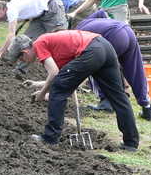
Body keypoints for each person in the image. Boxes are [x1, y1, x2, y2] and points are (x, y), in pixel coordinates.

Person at [7, 30, 140, 151]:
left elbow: (54, 76)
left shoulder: (39, 44)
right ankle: (131, 143)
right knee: (118, 96)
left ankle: (50, 137)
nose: (22, 62)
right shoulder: (52, 45)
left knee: (58, 89)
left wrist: (42, 94)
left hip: (91, 50)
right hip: (104, 46)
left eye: (20, 58)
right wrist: (38, 85)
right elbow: (63, 77)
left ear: (24, 52)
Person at [76, 9, 151, 121]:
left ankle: (106, 102)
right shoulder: (87, 21)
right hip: (126, 30)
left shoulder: (77, 33)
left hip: (113, 36)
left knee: (95, 68)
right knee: (135, 70)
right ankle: (147, 108)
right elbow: (102, 12)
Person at [0, 0, 68, 77]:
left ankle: (66, 74)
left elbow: (11, 35)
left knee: (59, 43)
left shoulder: (11, 9)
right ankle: (19, 71)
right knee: (27, 43)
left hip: (53, 10)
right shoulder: (12, 5)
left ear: (1, 8)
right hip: (39, 16)